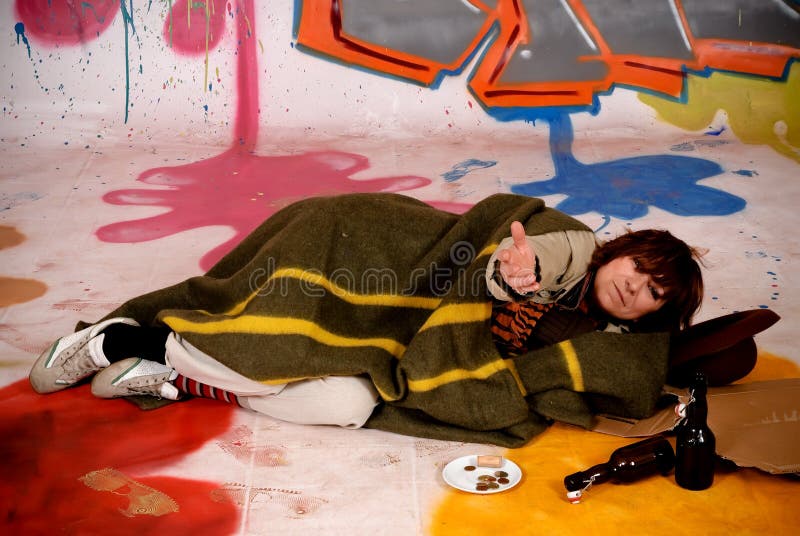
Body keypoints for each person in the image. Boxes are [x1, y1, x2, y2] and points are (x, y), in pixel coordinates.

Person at [28, 193, 705, 445]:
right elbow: (514, 265)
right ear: (622, 250)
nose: (633, 288)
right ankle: (121, 338)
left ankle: (166, 368)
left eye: (653, 294)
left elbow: (604, 361)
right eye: (639, 269)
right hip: (360, 250)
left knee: (349, 404)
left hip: (396, 341)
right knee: (276, 343)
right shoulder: (576, 249)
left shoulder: (599, 326)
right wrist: (510, 275)